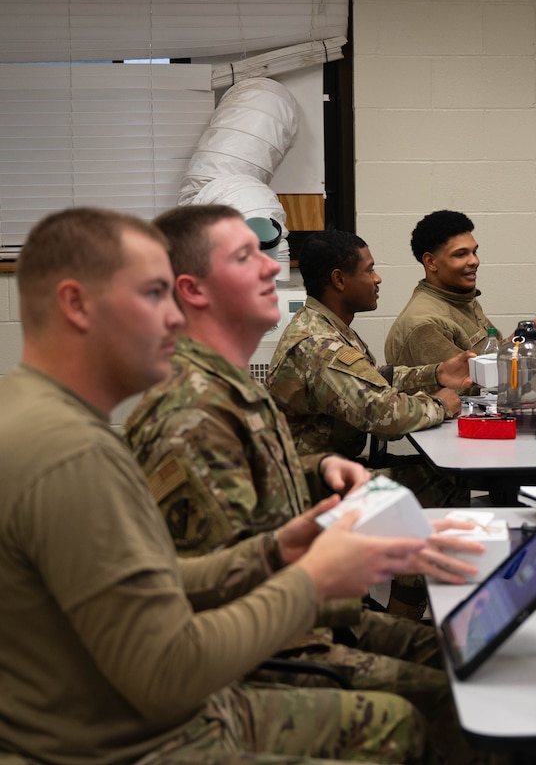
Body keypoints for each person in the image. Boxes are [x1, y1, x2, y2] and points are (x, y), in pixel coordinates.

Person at [0, 206, 481, 763]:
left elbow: (156, 579)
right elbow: (166, 669)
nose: (174, 318)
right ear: (77, 304)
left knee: (452, 663)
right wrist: (313, 579)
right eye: (155, 294)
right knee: (425, 715)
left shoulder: (50, 422)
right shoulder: (76, 451)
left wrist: (277, 550)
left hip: (144, 712)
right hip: (142, 738)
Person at [266, 229, 471, 489]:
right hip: (310, 486)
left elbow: (372, 379)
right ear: (339, 280)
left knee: (439, 469)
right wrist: (441, 405)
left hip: (328, 468)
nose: (377, 278)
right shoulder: (319, 345)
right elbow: (385, 417)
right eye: (369, 270)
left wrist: (437, 373)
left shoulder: (324, 324)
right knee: (447, 482)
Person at [384, 209, 536, 370]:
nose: (474, 261)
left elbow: (488, 357)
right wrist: (519, 339)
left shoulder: (460, 299)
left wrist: (521, 337)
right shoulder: (425, 323)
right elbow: (466, 382)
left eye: (474, 252)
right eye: (461, 254)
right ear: (431, 262)